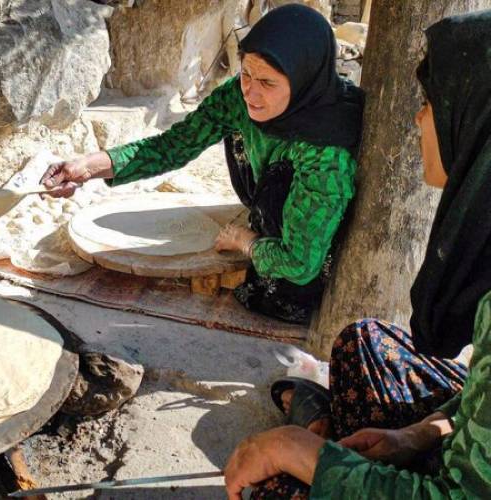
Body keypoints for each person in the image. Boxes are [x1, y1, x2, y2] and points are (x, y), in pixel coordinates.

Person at [223, 10, 491, 499]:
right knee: (365, 341)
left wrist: (292, 451)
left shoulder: (325, 158)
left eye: (431, 104)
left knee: (274, 488)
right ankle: (330, 422)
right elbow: (479, 393)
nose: (418, 118)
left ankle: (321, 424)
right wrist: (419, 434)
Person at [40, 4, 364, 324]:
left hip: (305, 247)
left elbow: (300, 264)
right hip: (265, 195)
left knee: (289, 279)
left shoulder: (326, 154)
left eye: (267, 83)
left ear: (304, 80)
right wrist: (89, 167)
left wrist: (245, 241)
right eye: (246, 74)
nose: (251, 92)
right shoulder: (237, 98)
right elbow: (175, 145)